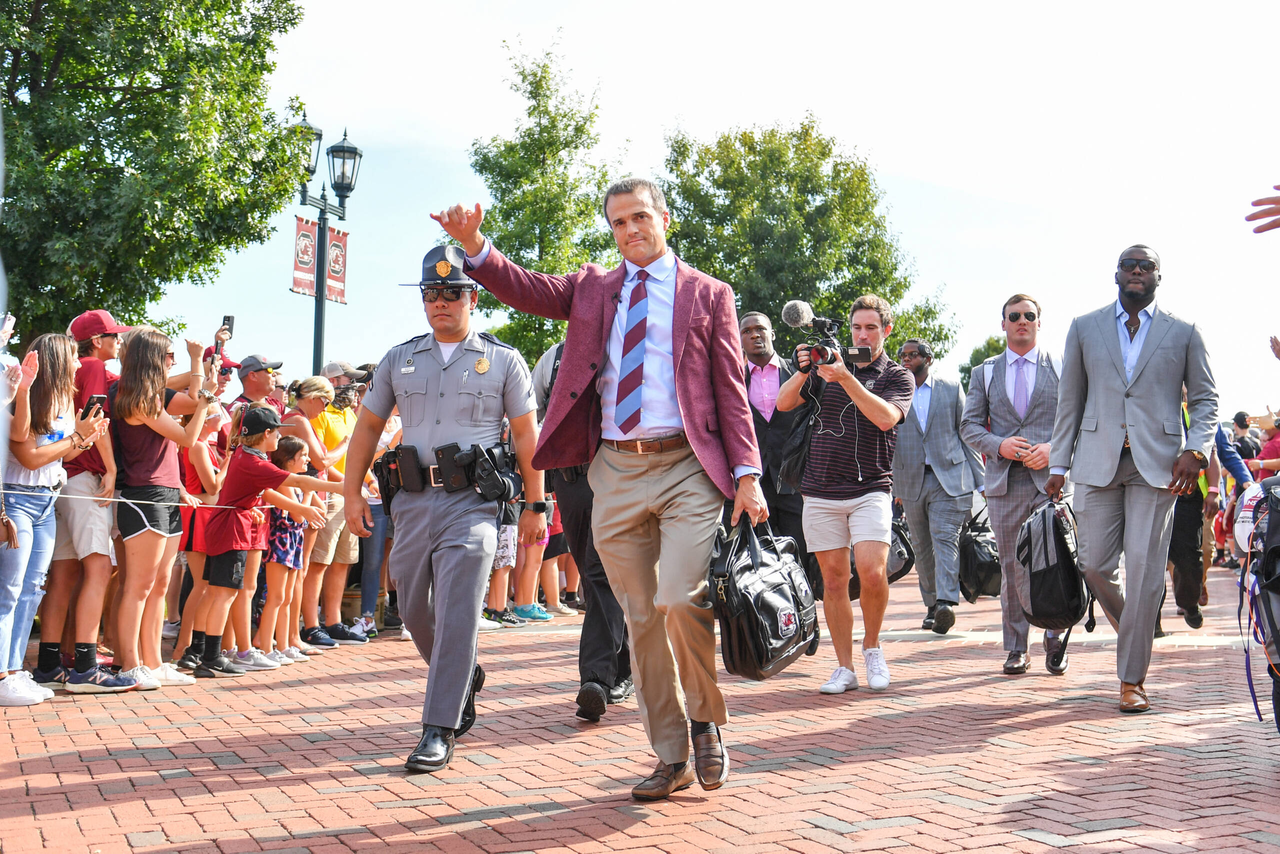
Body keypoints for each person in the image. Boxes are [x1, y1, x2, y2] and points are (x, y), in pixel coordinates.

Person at [433, 178, 766, 800]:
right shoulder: (594, 287)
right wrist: (476, 247)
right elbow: (528, 289)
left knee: (679, 597)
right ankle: (671, 754)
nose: (630, 230)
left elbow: (730, 390)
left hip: (689, 465)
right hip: (614, 468)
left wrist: (747, 474)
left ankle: (705, 720)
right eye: (618, 222)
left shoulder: (708, 293)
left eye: (640, 217)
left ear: (663, 218)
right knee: (639, 617)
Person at [342, 244, 545, 774]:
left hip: (473, 502)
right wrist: (349, 492)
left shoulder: (503, 360)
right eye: (431, 293)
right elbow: (367, 427)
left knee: (458, 608)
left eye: (451, 292)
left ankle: (438, 726)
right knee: (411, 608)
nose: (440, 302)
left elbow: (527, 436)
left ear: (472, 297)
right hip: (411, 500)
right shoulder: (399, 358)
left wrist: (536, 503)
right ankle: (462, 673)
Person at [1046, 245, 1217, 714]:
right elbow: (1070, 400)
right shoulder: (1085, 326)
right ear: (1116, 273)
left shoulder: (1184, 331)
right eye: (1129, 264)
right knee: (1094, 565)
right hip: (1096, 461)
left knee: (1143, 571)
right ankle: (1136, 630)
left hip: (1158, 467)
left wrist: (1196, 449)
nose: (1137, 271)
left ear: (1159, 276)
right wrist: (1058, 464)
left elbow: (1206, 400)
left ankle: (1131, 679)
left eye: (1146, 266)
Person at [776, 295, 915, 696]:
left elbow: (886, 418)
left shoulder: (897, 375)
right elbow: (783, 404)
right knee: (834, 581)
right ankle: (845, 667)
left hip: (871, 486)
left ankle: (872, 647)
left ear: (886, 330)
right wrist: (806, 370)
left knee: (872, 571)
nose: (862, 335)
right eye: (857, 327)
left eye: (871, 328)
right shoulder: (826, 368)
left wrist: (846, 378)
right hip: (820, 489)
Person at [960, 295, 1068, 675]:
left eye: (1029, 315)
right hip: (1004, 484)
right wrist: (999, 445)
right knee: (1012, 568)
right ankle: (1017, 647)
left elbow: (1079, 419)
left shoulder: (1062, 366)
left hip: (1051, 480)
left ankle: (1055, 636)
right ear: (1003, 323)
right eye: (1014, 316)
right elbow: (968, 426)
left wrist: (1055, 450)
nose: (1022, 320)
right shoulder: (985, 372)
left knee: (1056, 562)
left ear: (1039, 322)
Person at [3, 335, 110, 703]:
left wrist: (84, 439)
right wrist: (77, 438)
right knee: (10, 589)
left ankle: (15, 669)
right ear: (57, 361)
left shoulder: (65, 400)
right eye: (73, 357)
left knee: (32, 590)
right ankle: (4, 674)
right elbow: (29, 456)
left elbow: (59, 455)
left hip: (46, 502)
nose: (79, 364)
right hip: (17, 499)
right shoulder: (23, 394)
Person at [530, 339, 632, 723]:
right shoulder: (553, 357)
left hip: (619, 474)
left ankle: (596, 679)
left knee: (599, 570)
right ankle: (624, 666)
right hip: (569, 479)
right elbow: (534, 415)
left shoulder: (629, 344)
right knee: (594, 579)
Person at [109, 330, 215, 690]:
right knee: (139, 586)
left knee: (160, 585)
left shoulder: (152, 394)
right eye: (169, 355)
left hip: (166, 493)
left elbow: (191, 399)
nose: (173, 360)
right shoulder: (137, 398)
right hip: (144, 495)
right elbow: (187, 437)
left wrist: (200, 377)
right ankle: (131, 664)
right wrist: (204, 404)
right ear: (152, 357)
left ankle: (153, 663)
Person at [187, 407, 327, 677]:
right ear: (266, 434)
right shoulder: (253, 461)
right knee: (224, 595)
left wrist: (251, 506)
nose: (278, 438)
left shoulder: (243, 453)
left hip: (227, 527)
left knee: (218, 594)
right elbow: (296, 482)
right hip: (231, 531)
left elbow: (256, 491)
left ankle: (201, 652)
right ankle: (212, 656)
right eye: (276, 433)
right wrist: (345, 489)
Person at [46, 310, 126, 685]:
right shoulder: (92, 365)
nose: (119, 341)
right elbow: (97, 420)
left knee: (64, 574)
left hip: (61, 477)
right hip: (83, 477)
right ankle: (85, 667)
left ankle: (50, 664)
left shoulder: (75, 368)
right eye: (114, 335)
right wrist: (110, 468)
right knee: (98, 569)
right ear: (96, 341)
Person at [893, 338, 984, 636]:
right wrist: (892, 485)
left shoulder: (951, 387)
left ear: (928, 359)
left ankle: (946, 602)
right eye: (903, 355)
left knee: (945, 538)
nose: (906, 359)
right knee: (921, 546)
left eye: (913, 354)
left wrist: (981, 480)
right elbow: (887, 440)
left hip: (949, 478)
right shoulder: (894, 391)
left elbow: (966, 434)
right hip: (911, 480)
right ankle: (932, 605)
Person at [738, 311, 820, 593]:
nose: (754, 334)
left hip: (797, 482)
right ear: (739, 339)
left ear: (772, 333)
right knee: (762, 567)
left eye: (760, 328)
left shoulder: (798, 372)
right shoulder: (733, 380)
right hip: (754, 485)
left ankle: (805, 615)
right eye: (746, 331)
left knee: (801, 559)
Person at [305, 361, 367, 646]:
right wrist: (350, 485)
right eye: (347, 379)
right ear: (331, 382)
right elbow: (320, 462)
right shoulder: (320, 413)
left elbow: (355, 455)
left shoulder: (349, 414)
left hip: (349, 495)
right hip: (329, 494)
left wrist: (367, 481)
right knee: (319, 561)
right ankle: (310, 624)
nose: (353, 385)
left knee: (343, 561)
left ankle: (333, 621)